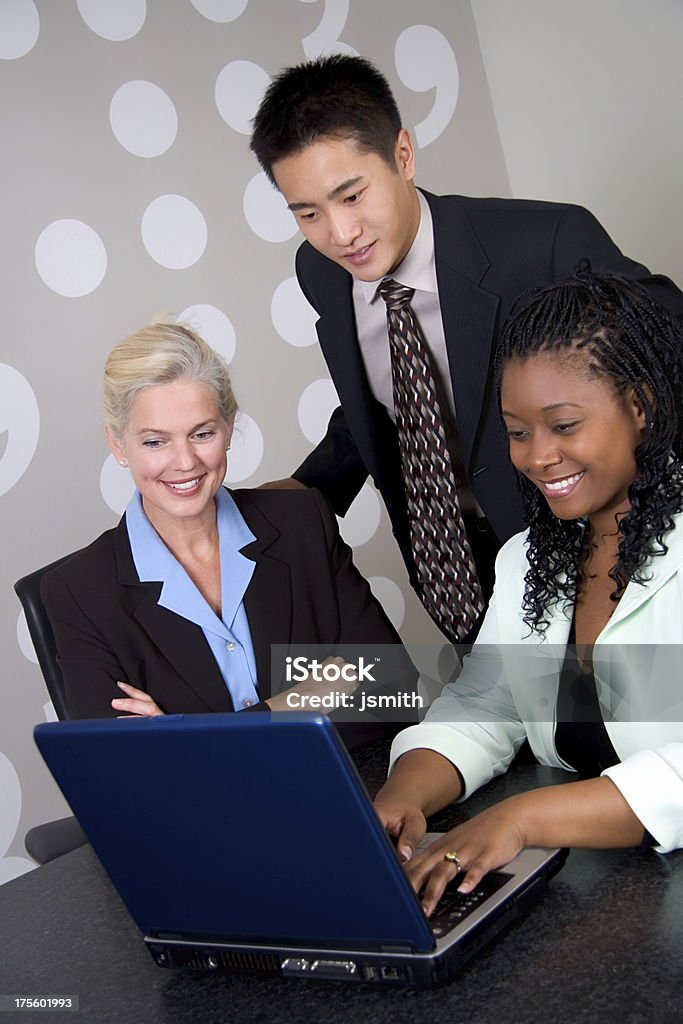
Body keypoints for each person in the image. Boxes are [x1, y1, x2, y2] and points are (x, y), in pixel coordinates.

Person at [250, 54, 683, 643]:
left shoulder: (545, 244)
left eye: (351, 196)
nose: (340, 233)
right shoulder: (320, 271)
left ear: (403, 155)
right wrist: (308, 492)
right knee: (485, 727)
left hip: (586, 561)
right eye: (308, 213)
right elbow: (394, 396)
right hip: (453, 568)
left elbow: (667, 350)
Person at [372, 265, 683, 914]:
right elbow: (485, 704)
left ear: (641, 407)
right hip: (593, 896)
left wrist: (520, 818)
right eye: (517, 432)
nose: (537, 456)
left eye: (562, 425)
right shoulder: (527, 560)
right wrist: (403, 795)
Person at [41, 318, 417, 737]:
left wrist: (185, 738)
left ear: (228, 427)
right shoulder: (77, 591)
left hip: (344, 792)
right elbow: (122, 772)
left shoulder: (302, 522)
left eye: (202, 433)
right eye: (155, 441)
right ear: (117, 444)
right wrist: (303, 699)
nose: (185, 462)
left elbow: (394, 691)